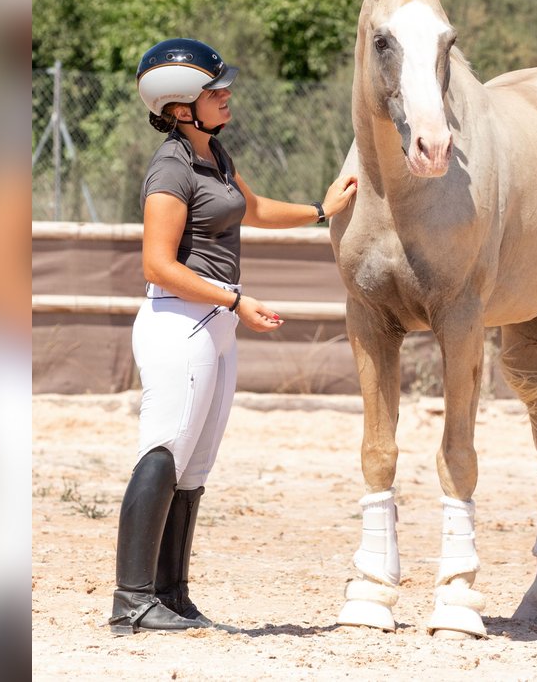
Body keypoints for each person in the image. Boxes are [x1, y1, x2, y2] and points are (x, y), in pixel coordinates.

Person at [108, 38, 357, 635]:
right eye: (214, 91)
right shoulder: (170, 167)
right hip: (178, 320)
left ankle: (170, 594)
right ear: (178, 105)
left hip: (212, 325)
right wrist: (237, 300)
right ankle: (130, 600)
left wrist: (320, 210)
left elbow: (251, 207)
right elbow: (157, 264)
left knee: (194, 465)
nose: (226, 97)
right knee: (165, 449)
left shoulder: (212, 155)